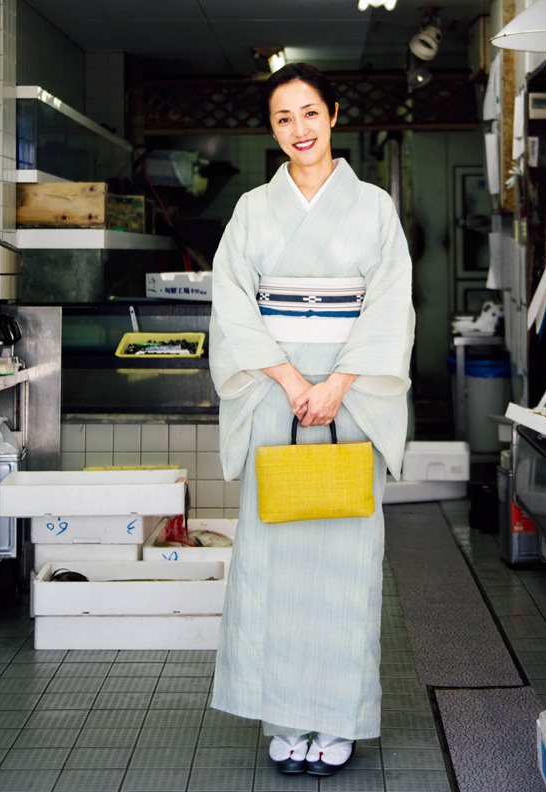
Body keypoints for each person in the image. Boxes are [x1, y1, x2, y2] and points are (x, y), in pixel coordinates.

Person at [208, 62, 415, 777]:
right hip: (276, 397)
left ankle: (338, 720)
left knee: (346, 566)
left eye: (309, 114)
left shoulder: (372, 209)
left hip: (349, 403)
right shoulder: (252, 211)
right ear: (274, 130)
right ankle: (285, 717)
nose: (299, 130)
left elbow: (392, 308)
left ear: (333, 116)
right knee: (272, 565)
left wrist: (341, 382)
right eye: (283, 119)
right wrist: (294, 378)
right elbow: (232, 305)